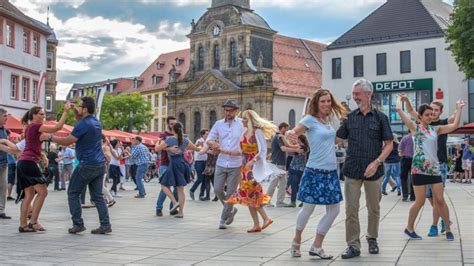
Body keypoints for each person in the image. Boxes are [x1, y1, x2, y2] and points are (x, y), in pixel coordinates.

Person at [336, 79, 394, 259]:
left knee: (373, 208)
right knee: (351, 209)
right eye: (353, 94)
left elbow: (389, 144)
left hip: (373, 170)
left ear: (368, 95)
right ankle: (353, 245)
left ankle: (372, 238)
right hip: (352, 169)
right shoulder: (349, 117)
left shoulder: (381, 118)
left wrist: (377, 162)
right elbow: (337, 139)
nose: (354, 97)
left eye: (357, 94)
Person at [287, 89, 347, 259]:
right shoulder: (310, 120)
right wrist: (291, 136)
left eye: (328, 101)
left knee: (334, 210)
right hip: (314, 170)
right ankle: (296, 242)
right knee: (308, 208)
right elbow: (293, 132)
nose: (327, 104)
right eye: (323, 101)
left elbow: (332, 141)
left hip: (330, 172)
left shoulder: (327, 122)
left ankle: (317, 245)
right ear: (316, 103)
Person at [396, 94, 464, 241]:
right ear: (419, 116)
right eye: (427, 114)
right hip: (418, 169)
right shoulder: (414, 128)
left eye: (431, 114)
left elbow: (455, 125)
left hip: (434, 169)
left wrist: (459, 109)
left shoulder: (436, 129)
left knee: (439, 199)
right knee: (419, 201)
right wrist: (401, 100)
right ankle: (409, 228)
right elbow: (401, 111)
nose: (430, 116)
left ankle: (448, 229)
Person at [41, 96, 112, 234]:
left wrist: (49, 137)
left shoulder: (84, 124)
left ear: (84, 109)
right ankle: (105, 224)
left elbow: (67, 141)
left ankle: (78, 224)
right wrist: (74, 110)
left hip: (86, 164)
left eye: (80, 106)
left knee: (73, 192)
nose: (77, 107)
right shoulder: (96, 122)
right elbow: (79, 120)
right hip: (99, 164)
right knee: (97, 196)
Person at [14, 104, 71, 232]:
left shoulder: (29, 128)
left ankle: (23, 225)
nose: (43, 116)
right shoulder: (35, 126)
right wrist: (66, 111)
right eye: (41, 114)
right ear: (34, 115)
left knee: (29, 194)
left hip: (23, 162)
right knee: (43, 192)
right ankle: (33, 222)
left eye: (44, 114)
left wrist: (42, 153)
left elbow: (34, 143)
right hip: (29, 162)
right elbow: (58, 127)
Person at [227, 110, 275, 233]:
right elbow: (241, 150)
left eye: (245, 119)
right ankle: (257, 224)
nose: (242, 121)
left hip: (253, 168)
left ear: (250, 121)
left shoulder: (257, 132)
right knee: (249, 196)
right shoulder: (244, 132)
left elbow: (263, 150)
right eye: (242, 119)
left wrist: (252, 161)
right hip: (244, 167)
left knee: (250, 194)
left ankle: (265, 218)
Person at [207, 99, 244, 229]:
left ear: (236, 111)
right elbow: (209, 139)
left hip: (236, 163)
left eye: (231, 110)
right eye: (226, 110)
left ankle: (223, 219)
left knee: (230, 193)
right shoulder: (218, 124)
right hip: (221, 161)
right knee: (217, 189)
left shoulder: (242, 124)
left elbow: (245, 143)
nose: (228, 113)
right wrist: (213, 144)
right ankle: (231, 210)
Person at [155, 122, 200, 218]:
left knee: (163, 184)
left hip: (174, 163)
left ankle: (175, 202)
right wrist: (203, 146)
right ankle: (181, 212)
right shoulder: (185, 140)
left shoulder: (170, 139)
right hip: (183, 163)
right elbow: (197, 149)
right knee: (180, 189)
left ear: (173, 130)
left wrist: (158, 141)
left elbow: (157, 149)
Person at [155, 116, 179, 217]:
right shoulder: (164, 134)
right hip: (165, 163)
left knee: (178, 187)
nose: (173, 125)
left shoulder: (178, 134)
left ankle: (172, 208)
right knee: (165, 187)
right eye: (171, 124)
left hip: (176, 164)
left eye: (175, 123)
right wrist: (170, 148)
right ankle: (158, 208)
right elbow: (159, 147)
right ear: (168, 124)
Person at [267, 122, 291, 207]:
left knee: (283, 184)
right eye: (286, 129)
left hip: (281, 163)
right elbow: (283, 148)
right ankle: (267, 202)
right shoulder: (278, 137)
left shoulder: (280, 137)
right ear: (283, 128)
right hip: (277, 164)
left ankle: (280, 202)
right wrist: (295, 149)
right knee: (274, 183)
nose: (287, 131)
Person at [287, 135, 309, 207]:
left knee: (294, 185)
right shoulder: (305, 147)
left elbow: (293, 150)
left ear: (299, 139)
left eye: (297, 139)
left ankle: (293, 202)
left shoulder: (301, 147)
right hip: (300, 169)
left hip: (296, 169)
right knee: (299, 185)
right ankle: (302, 201)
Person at [189, 129, 209, 200]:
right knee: (200, 178)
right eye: (206, 134)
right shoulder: (199, 141)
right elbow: (199, 149)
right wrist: (200, 145)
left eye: (208, 133)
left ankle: (201, 195)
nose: (207, 135)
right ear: (202, 134)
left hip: (205, 162)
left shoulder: (207, 142)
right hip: (199, 162)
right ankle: (192, 190)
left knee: (204, 179)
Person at [0, 108, 12, 219]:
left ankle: (1, 210)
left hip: (4, 162)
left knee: (3, 187)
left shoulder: (5, 130)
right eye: (5, 116)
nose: (6, 119)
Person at [398, 134, 416, 201]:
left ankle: (405, 195)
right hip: (414, 160)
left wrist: (402, 154)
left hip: (405, 159)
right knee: (413, 177)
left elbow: (400, 149)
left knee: (403, 177)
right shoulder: (417, 137)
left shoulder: (405, 138)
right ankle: (413, 196)